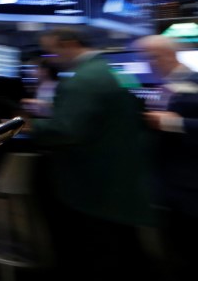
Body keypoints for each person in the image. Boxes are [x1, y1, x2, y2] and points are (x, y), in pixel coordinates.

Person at [27, 27, 156, 281]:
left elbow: (65, 131)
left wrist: (32, 126)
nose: (52, 58)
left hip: (88, 186)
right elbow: (139, 109)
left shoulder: (81, 80)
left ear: (70, 43)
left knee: (92, 255)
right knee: (124, 251)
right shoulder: (116, 72)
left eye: (53, 51)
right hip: (123, 179)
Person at [133, 34, 198, 280]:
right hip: (167, 186)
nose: (149, 63)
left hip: (190, 188)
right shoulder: (163, 87)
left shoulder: (194, 81)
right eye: (146, 58)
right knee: (174, 250)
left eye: (153, 57)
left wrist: (173, 123)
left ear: (171, 54)